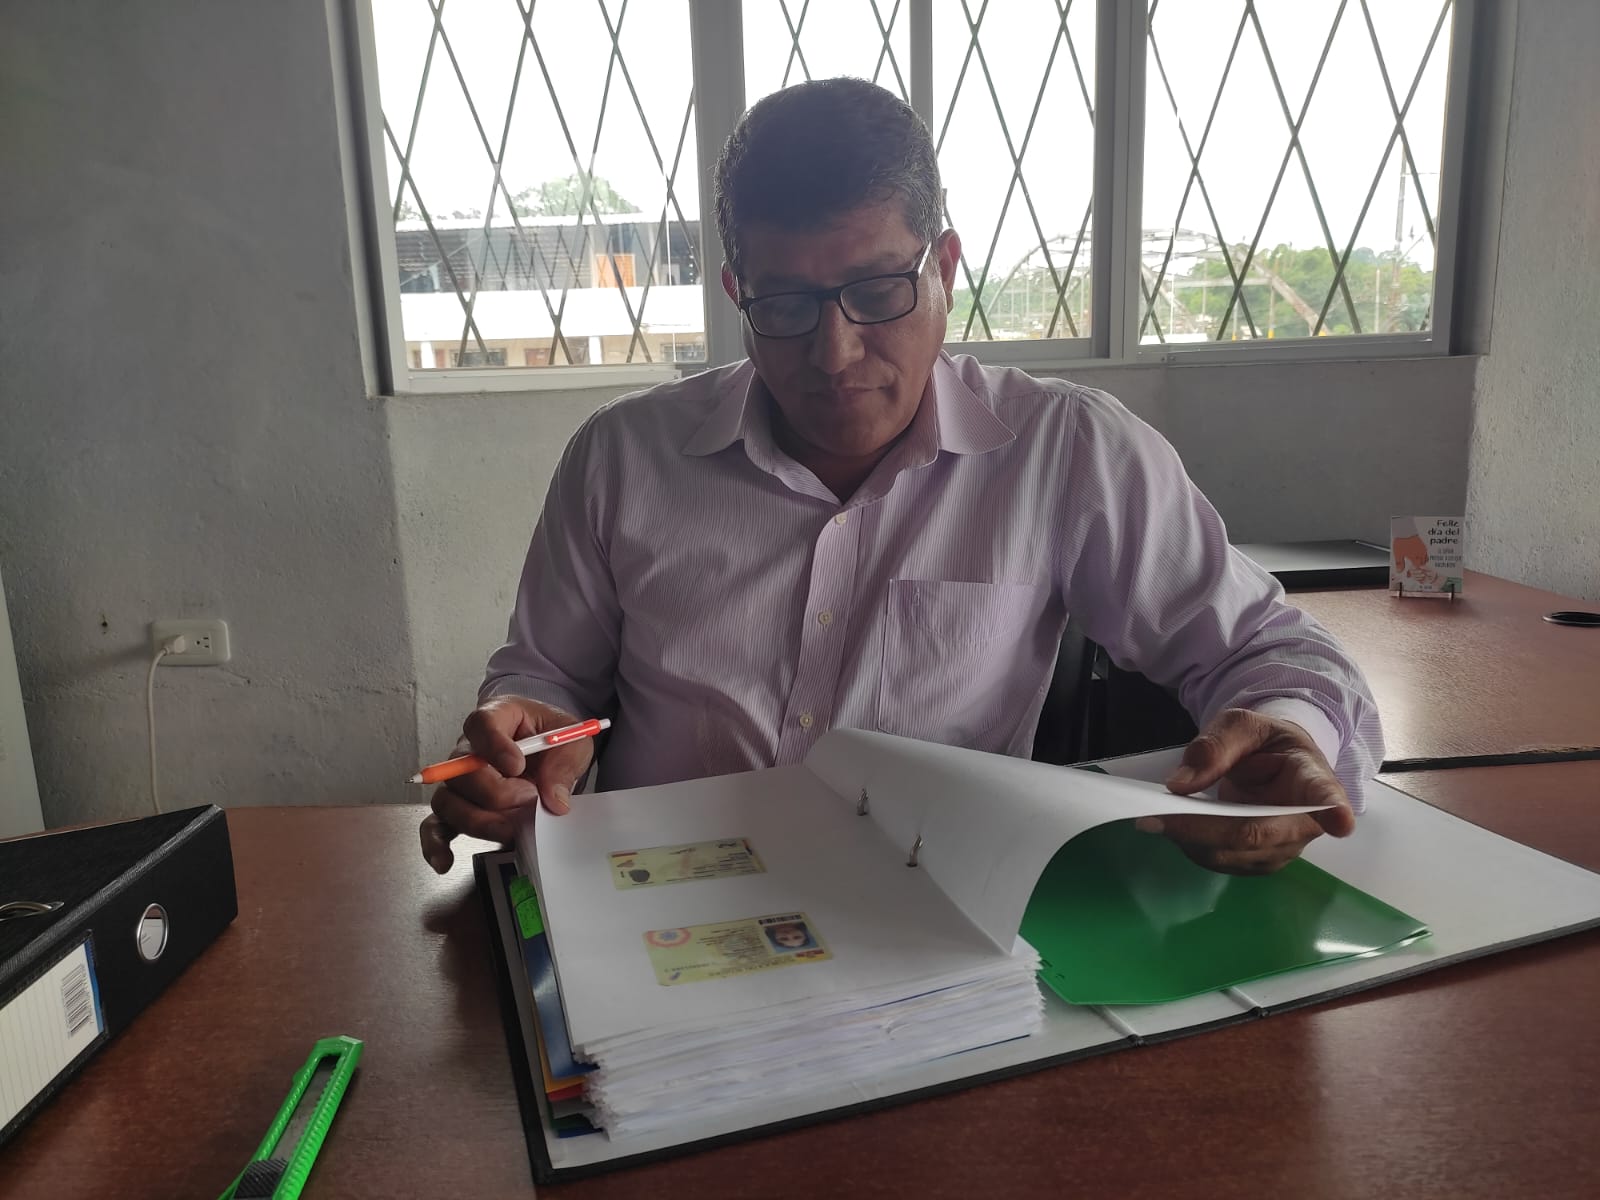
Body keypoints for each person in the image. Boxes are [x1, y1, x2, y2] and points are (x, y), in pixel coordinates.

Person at [420, 78, 1382, 880]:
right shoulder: (621, 458)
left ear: (945, 269)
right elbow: (547, 680)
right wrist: (524, 750)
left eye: (879, 291)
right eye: (784, 304)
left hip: (934, 909)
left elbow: (1269, 648)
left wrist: (1289, 729)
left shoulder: (1066, 452)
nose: (835, 353)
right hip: (659, 901)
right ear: (737, 295)